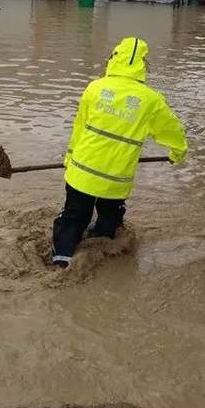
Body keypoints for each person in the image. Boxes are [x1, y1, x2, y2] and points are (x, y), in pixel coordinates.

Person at [52, 36, 188, 268]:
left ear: (113, 58)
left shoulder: (94, 88)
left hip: (81, 172)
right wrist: (178, 152)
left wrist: (69, 157)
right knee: (109, 217)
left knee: (73, 217)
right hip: (115, 180)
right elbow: (171, 129)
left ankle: (62, 260)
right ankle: (101, 250)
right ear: (143, 65)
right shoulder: (150, 100)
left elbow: (79, 127)